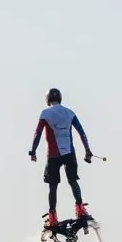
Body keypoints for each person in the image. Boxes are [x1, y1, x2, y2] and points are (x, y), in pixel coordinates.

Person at [29, 88, 93, 228]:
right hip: (70, 153)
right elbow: (82, 133)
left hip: (53, 155)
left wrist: (33, 151)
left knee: (53, 186)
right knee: (73, 181)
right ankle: (81, 209)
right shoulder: (70, 113)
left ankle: (52, 216)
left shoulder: (45, 113)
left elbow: (37, 134)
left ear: (47, 100)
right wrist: (88, 151)